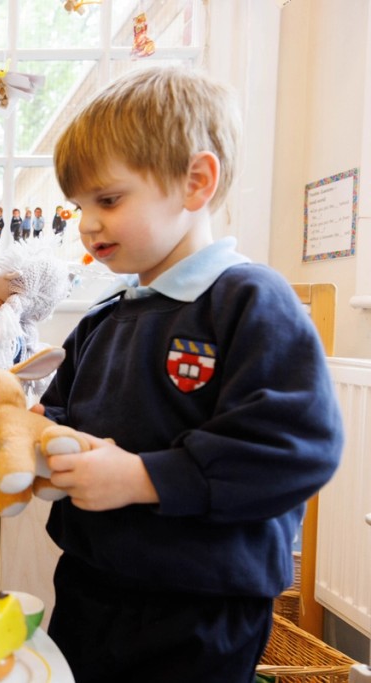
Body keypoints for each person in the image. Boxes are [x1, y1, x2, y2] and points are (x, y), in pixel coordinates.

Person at [40, 66, 343, 683]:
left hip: (202, 604)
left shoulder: (251, 301)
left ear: (195, 182)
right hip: (92, 586)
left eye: (108, 199)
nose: (87, 224)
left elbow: (295, 447)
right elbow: (60, 415)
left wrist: (143, 477)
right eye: (79, 206)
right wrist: (31, 441)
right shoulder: (105, 319)